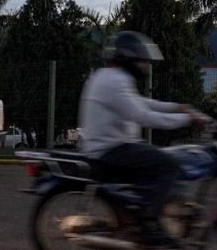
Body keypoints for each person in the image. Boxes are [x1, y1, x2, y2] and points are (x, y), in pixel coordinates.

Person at [78, 31, 209, 248]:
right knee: (167, 164)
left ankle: (141, 213)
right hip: (110, 150)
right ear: (128, 58)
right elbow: (143, 116)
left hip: (108, 146)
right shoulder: (116, 80)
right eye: (142, 60)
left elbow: (141, 103)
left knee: (154, 158)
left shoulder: (107, 76)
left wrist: (178, 107)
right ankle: (149, 225)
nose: (146, 65)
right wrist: (187, 119)